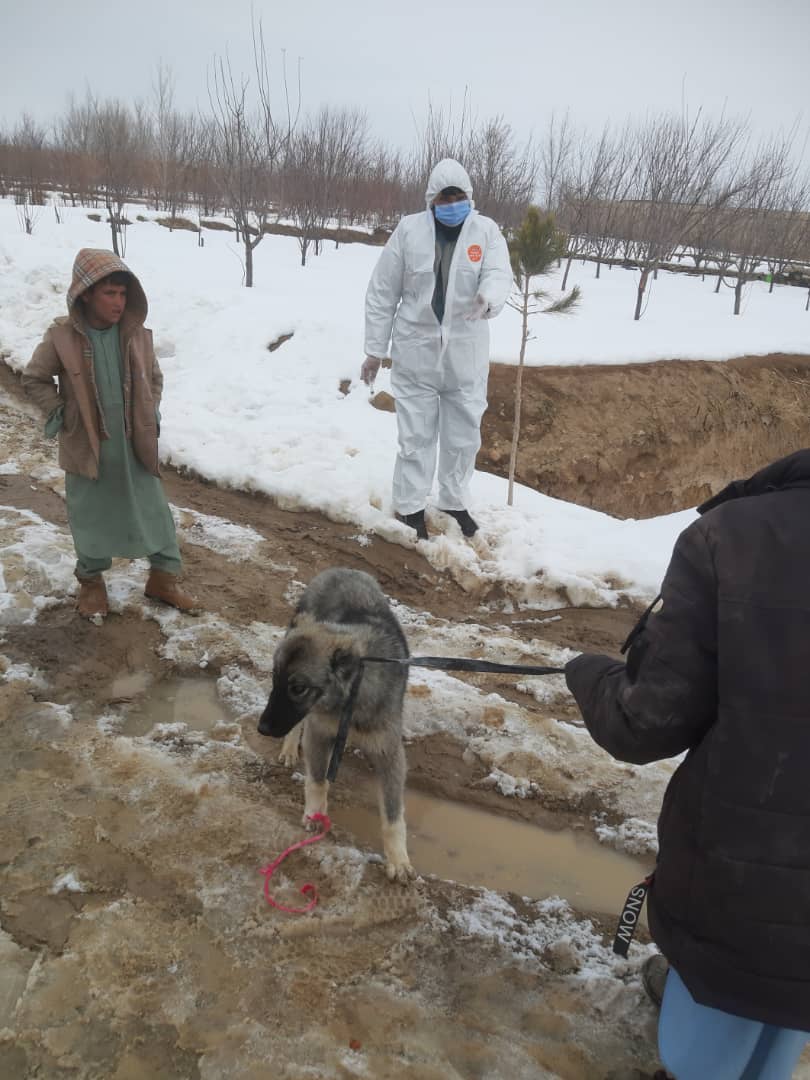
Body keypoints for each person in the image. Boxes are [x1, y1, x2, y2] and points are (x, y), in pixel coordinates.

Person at [564, 449, 810, 1079]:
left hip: (740, 898)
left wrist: (588, 675)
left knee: (715, 1033)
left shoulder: (736, 535)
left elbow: (646, 723)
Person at [22, 248, 199, 620]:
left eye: (122, 294)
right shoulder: (60, 337)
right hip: (88, 448)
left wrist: (150, 412)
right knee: (91, 517)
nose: (119, 303)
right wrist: (61, 413)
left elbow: (154, 378)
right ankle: (91, 584)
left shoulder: (135, 335)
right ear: (85, 293)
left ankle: (163, 580)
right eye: (109, 294)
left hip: (135, 445)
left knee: (153, 511)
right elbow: (34, 379)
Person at [363, 158, 512, 541]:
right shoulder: (409, 231)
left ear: (469, 197)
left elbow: (499, 273)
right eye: (445, 198)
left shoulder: (486, 231)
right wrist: (374, 350)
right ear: (432, 200)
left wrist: (488, 298)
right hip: (417, 353)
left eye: (458, 196)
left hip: (466, 354)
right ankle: (411, 507)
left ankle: (453, 500)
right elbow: (383, 291)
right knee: (416, 438)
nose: (452, 203)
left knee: (464, 438)